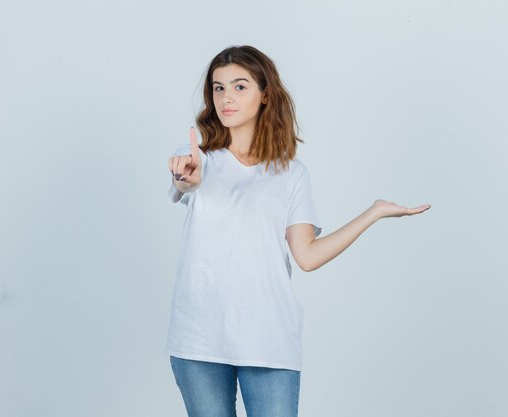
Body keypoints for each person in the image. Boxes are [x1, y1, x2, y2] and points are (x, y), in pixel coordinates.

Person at [166, 45, 431, 417]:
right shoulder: (198, 159)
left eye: (240, 87)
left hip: (268, 337)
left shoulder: (290, 173)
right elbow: (186, 182)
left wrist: (374, 213)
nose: (226, 98)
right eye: (218, 88)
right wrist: (186, 177)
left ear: (265, 95)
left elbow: (306, 256)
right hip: (198, 339)